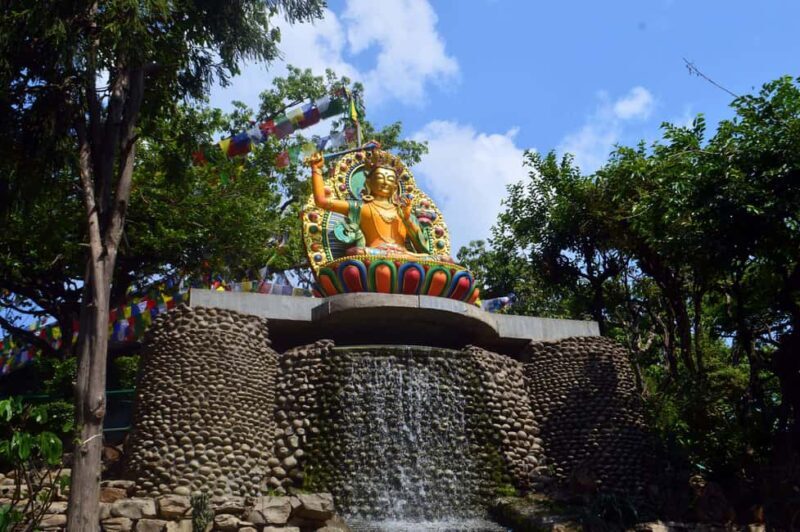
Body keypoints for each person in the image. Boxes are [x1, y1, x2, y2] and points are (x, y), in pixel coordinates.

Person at [307, 149, 433, 257]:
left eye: (390, 179)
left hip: (405, 256)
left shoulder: (403, 211)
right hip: (374, 255)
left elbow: (422, 248)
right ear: (368, 183)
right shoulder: (360, 207)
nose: (385, 182)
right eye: (380, 178)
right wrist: (316, 169)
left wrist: (406, 219)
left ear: (395, 187)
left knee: (441, 261)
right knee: (356, 253)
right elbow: (321, 202)